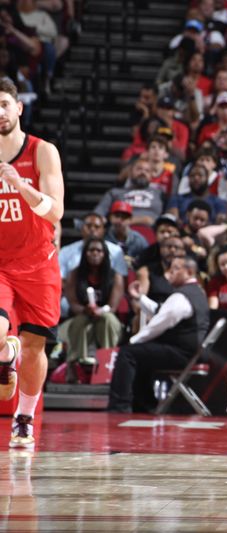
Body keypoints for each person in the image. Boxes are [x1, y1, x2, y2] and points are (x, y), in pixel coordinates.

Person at [0, 79, 64, 448]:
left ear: (19, 108)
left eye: (5, 104)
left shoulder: (43, 151)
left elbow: (55, 212)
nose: (0, 112)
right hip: (2, 263)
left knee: (35, 347)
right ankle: (7, 355)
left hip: (39, 262)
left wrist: (22, 185)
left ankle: (24, 417)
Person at [108, 256, 209, 413]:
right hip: (190, 353)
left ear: (189, 272)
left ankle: (119, 406)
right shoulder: (196, 292)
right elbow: (161, 312)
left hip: (181, 353)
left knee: (128, 353)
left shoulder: (181, 296)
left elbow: (157, 325)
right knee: (142, 353)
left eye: (175, 269)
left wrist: (134, 341)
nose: (170, 273)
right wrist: (140, 298)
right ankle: (145, 404)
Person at [59, 237, 124, 367]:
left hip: (106, 316)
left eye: (99, 251)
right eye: (91, 250)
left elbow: (113, 307)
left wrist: (100, 311)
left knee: (108, 319)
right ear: (85, 253)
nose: (95, 253)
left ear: (105, 254)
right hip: (82, 315)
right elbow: (72, 303)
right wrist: (85, 310)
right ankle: (74, 364)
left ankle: (107, 364)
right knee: (80, 321)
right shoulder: (75, 274)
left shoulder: (115, 276)